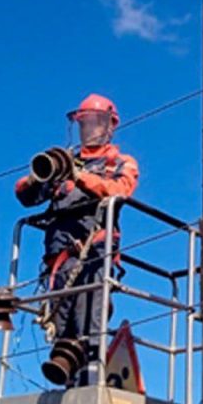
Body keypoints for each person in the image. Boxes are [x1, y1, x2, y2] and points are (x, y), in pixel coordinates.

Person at [14, 93, 139, 385]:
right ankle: (66, 373)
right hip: (60, 258)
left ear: (110, 125)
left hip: (96, 252)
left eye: (95, 122)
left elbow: (120, 191)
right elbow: (25, 195)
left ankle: (91, 376)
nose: (89, 129)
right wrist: (39, 177)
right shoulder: (64, 165)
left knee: (90, 314)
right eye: (83, 122)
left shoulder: (120, 162)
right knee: (61, 315)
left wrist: (80, 176)